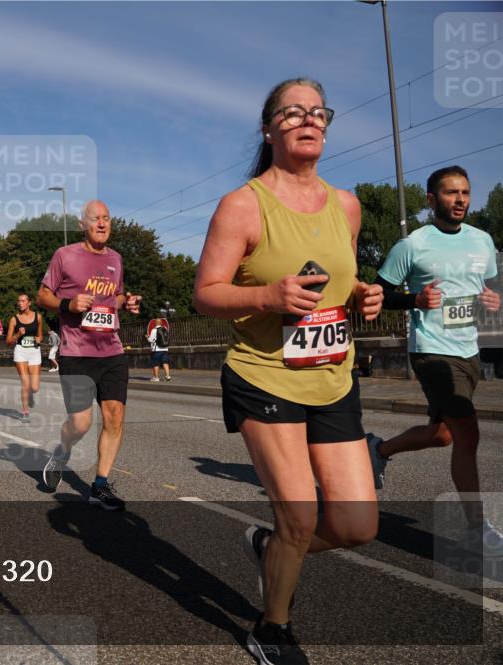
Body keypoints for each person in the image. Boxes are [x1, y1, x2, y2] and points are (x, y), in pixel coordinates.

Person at [192, 78, 384, 664]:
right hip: (264, 376)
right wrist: (268, 296)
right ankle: (271, 628)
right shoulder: (243, 205)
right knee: (299, 517)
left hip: (332, 378)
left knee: (356, 526)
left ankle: (272, 546)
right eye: (293, 112)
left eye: (318, 112)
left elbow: (343, 279)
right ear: (268, 127)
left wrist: (363, 294)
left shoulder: (346, 205)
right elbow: (206, 293)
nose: (308, 120)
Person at [367, 165, 502, 555]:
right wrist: (415, 299)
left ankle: (378, 450)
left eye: (465, 192)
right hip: (431, 350)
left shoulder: (482, 240)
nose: (460, 200)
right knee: (469, 434)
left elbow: (487, 287)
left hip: (468, 349)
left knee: (444, 435)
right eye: (450, 192)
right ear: (431, 200)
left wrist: (492, 299)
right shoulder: (412, 245)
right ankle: (476, 530)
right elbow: (377, 294)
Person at [37, 200, 142, 511]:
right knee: (81, 424)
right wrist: (67, 305)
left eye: (106, 218)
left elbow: (116, 295)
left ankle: (100, 485)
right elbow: (43, 296)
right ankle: (62, 451)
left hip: (111, 350)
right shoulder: (65, 255)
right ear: (82, 224)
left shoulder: (116, 258)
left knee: (115, 416)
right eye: (95, 218)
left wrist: (127, 302)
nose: (102, 223)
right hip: (76, 352)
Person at [6, 294, 43, 423]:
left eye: (23, 301)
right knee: (25, 383)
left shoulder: (38, 317)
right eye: (19, 301)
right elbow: (8, 341)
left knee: (35, 387)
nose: (20, 303)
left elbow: (40, 336)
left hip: (34, 352)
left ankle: (31, 394)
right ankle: (25, 412)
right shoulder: (14, 319)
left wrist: (39, 339)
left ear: (29, 302)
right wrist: (18, 334)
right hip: (20, 351)